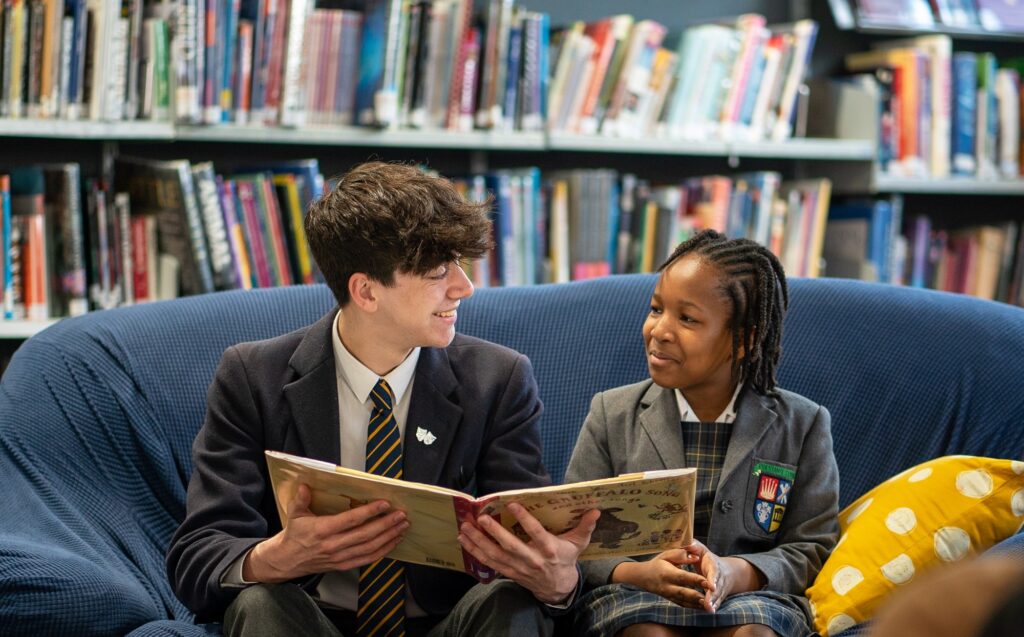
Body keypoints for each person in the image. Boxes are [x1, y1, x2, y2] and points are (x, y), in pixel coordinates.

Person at [166, 161, 598, 637]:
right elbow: (199, 553)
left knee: (508, 603)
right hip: (311, 619)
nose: (464, 287)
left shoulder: (498, 380)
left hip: (444, 624)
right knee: (262, 603)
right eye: (438, 271)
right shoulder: (253, 377)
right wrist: (278, 555)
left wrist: (558, 582)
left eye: (460, 265)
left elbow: (530, 539)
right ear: (366, 291)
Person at [564, 229, 840, 637]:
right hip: (635, 596)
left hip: (751, 598)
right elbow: (573, 539)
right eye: (656, 309)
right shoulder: (612, 413)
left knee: (756, 635)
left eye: (687, 318)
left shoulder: (803, 423)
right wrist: (638, 574)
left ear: (743, 340)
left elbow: (812, 546)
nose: (660, 330)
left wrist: (736, 572)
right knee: (645, 633)